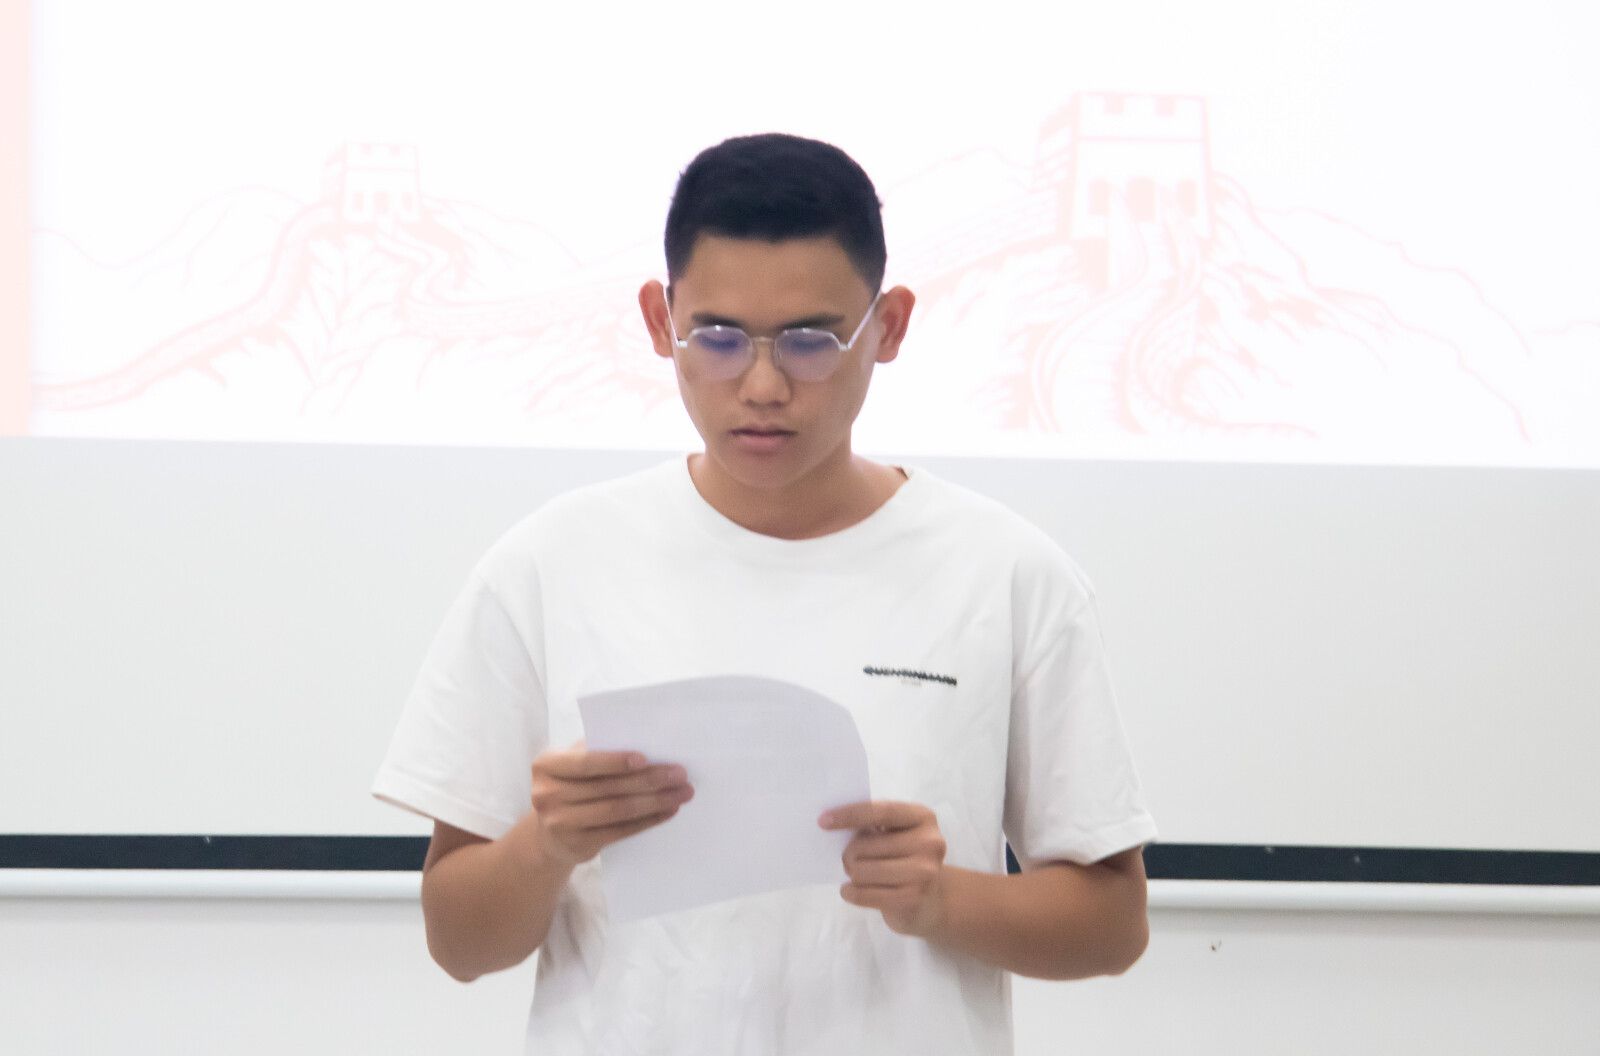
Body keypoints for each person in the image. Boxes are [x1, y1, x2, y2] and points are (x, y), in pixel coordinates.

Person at [372, 132, 1157, 1054]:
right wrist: (546, 846)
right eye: (717, 338)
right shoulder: (550, 563)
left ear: (890, 327)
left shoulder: (1007, 573)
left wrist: (945, 901)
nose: (762, 384)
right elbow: (459, 942)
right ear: (659, 320)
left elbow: (1114, 925)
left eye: (811, 341)